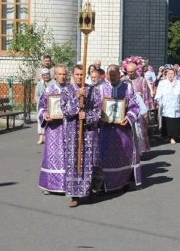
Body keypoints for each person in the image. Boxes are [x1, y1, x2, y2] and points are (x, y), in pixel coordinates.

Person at [60, 64, 103, 208]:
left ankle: (90, 191)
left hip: (89, 132)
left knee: (90, 161)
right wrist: (76, 97)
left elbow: (98, 112)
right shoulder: (66, 91)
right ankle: (75, 196)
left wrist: (87, 116)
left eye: (81, 75)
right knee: (74, 163)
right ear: (73, 75)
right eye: (76, 74)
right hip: (72, 132)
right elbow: (65, 110)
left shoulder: (93, 90)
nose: (79, 77)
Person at [98, 65, 141, 191]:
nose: (112, 77)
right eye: (110, 75)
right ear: (106, 75)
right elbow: (96, 106)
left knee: (123, 157)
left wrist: (127, 118)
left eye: (114, 75)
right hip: (105, 130)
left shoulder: (127, 88)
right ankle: (105, 184)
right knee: (105, 157)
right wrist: (100, 118)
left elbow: (134, 107)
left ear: (119, 75)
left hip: (122, 130)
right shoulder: (101, 88)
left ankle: (123, 182)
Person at [37, 65, 68, 195]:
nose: (62, 76)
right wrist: (45, 115)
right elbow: (41, 107)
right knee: (52, 155)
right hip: (54, 129)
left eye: (64, 74)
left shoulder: (71, 90)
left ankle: (67, 184)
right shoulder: (49, 90)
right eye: (59, 74)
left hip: (68, 128)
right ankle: (48, 185)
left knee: (67, 156)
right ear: (55, 75)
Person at [124, 62, 154, 153]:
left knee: (139, 132)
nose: (130, 73)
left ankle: (139, 150)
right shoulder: (123, 80)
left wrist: (146, 111)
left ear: (136, 71)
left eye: (132, 72)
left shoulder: (142, 80)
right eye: (128, 72)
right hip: (125, 109)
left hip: (140, 109)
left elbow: (146, 96)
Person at [155, 68, 180, 144]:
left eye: (172, 73)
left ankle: (174, 136)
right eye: (169, 73)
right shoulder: (162, 83)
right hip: (166, 105)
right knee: (167, 121)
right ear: (167, 75)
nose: (170, 75)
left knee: (175, 121)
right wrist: (157, 102)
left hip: (176, 104)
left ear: (175, 75)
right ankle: (169, 136)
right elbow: (159, 92)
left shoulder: (179, 83)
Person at [34, 68, 55, 144]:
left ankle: (46, 136)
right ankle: (41, 136)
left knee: (49, 120)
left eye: (47, 75)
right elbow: (36, 95)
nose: (46, 76)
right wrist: (40, 102)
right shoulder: (40, 83)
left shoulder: (53, 82)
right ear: (42, 76)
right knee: (40, 120)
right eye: (44, 75)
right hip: (41, 105)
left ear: (49, 75)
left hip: (51, 104)